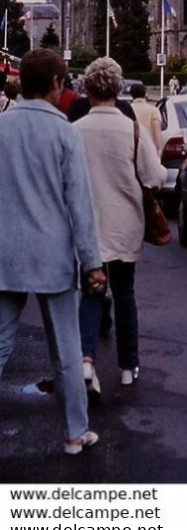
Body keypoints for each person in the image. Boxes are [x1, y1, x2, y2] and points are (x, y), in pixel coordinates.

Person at [0, 49, 106, 455]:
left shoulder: (3, 127)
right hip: (53, 257)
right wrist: (93, 262)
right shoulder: (65, 133)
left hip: (7, 252)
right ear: (58, 84)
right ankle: (75, 434)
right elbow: (80, 206)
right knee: (65, 349)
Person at [74, 58, 164, 394]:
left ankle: (86, 360)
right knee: (125, 294)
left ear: (87, 89)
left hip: (87, 226)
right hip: (125, 224)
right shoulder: (132, 129)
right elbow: (155, 177)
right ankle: (128, 366)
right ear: (118, 89)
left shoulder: (75, 131)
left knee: (91, 293)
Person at [129, 82, 162, 153]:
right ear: (145, 94)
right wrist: (158, 150)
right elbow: (156, 131)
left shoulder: (128, 110)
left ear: (132, 95)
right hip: (149, 150)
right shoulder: (153, 110)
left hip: (131, 150)